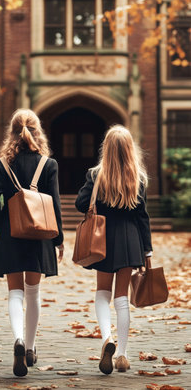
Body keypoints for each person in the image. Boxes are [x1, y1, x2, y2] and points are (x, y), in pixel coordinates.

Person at [0, 109, 64, 377]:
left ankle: (17, 339)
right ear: (37, 130)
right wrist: (59, 239)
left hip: (11, 234)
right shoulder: (48, 164)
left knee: (14, 293)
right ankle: (30, 348)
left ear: (12, 132)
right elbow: (54, 204)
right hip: (40, 234)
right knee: (33, 292)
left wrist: (2, 224)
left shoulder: (1, 165)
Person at [75, 125, 152, 375]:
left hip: (102, 239)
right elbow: (143, 217)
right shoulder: (138, 177)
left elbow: (80, 204)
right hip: (130, 241)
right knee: (122, 299)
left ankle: (107, 338)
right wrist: (147, 252)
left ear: (105, 148)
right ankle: (122, 355)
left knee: (102, 292)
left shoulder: (96, 174)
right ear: (130, 149)